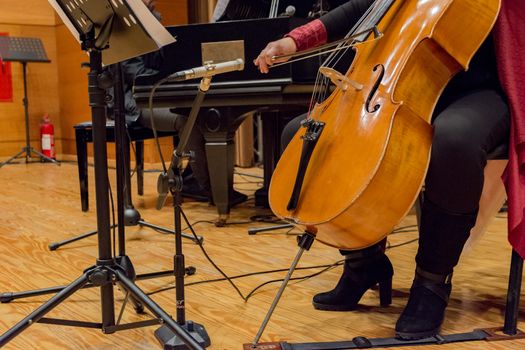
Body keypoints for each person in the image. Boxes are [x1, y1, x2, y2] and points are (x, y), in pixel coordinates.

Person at [255, 0, 525, 340]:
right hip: (402, 81)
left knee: (454, 141)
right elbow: (362, 6)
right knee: (302, 133)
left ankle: (432, 282)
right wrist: (294, 41)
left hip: (484, 87)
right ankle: (363, 262)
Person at [110, 0, 247, 206]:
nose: (152, 1)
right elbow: (135, 74)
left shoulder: (154, 24)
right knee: (186, 120)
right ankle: (209, 188)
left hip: (157, 96)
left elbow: (168, 60)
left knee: (205, 115)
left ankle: (211, 185)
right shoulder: (124, 29)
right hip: (135, 103)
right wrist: (171, 78)